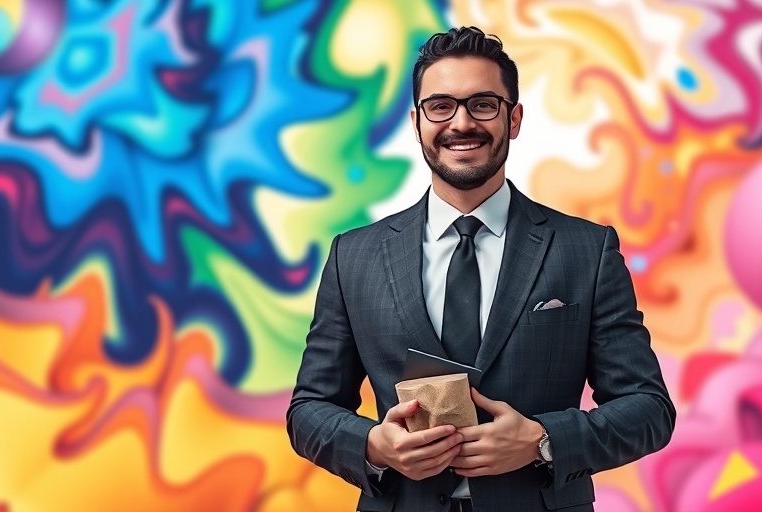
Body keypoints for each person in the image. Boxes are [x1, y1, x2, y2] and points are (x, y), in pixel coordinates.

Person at [287, 26, 675, 512]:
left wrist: (541, 440)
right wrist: (373, 445)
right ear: (417, 122)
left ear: (513, 119)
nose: (461, 123)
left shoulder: (586, 250)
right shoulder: (354, 256)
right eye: (441, 106)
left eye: (483, 104)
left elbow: (649, 410)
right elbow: (309, 410)